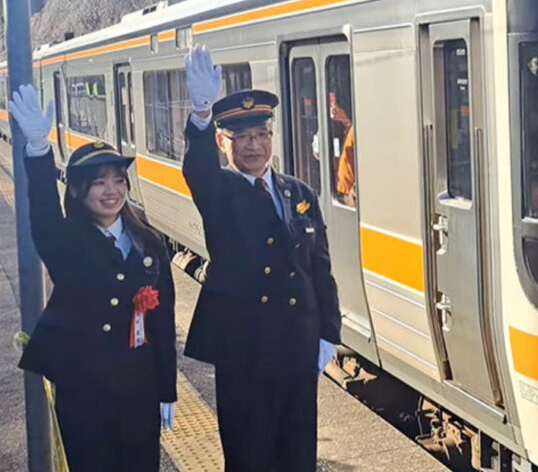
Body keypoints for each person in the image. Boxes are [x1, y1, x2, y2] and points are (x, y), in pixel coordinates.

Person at [181, 45, 341, 472]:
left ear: (271, 137)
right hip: (245, 355)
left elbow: (320, 268)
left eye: (261, 134)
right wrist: (201, 115)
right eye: (242, 137)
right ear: (223, 141)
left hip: (297, 350)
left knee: (298, 457)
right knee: (250, 458)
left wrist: (329, 332)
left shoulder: (297, 192)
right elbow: (197, 169)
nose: (254, 145)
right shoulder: (220, 191)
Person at [10, 85, 176, 472]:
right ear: (79, 190)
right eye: (100, 182)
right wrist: (38, 149)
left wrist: (167, 388)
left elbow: (163, 323)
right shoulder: (64, 241)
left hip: (139, 392)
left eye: (118, 180)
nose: (111, 191)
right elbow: (43, 210)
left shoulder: (149, 243)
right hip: (83, 393)